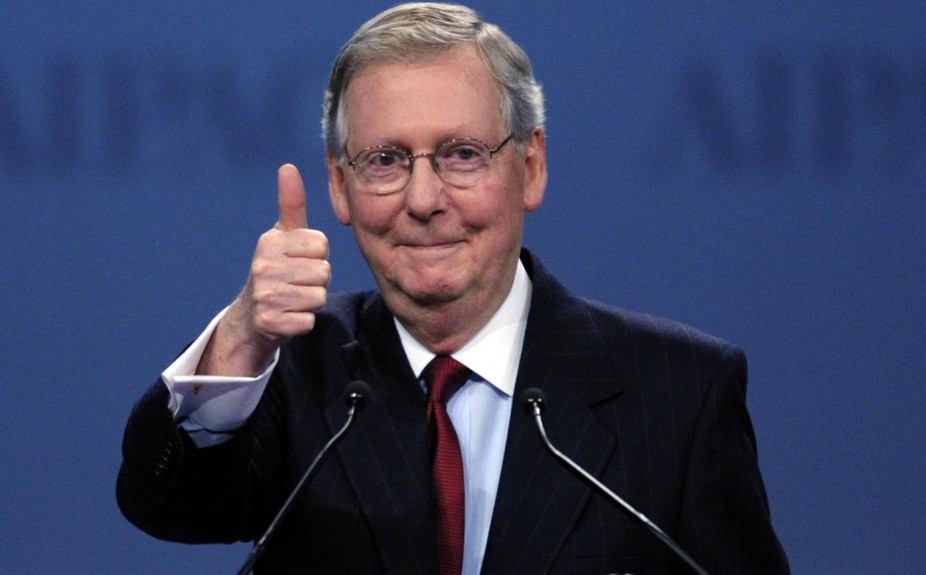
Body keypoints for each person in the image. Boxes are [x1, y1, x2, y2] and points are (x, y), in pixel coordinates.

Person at [116, 3, 790, 574]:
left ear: (530, 166)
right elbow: (167, 503)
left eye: (461, 155)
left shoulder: (683, 393)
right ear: (338, 185)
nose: (424, 198)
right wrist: (241, 334)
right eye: (385, 160)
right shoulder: (296, 374)